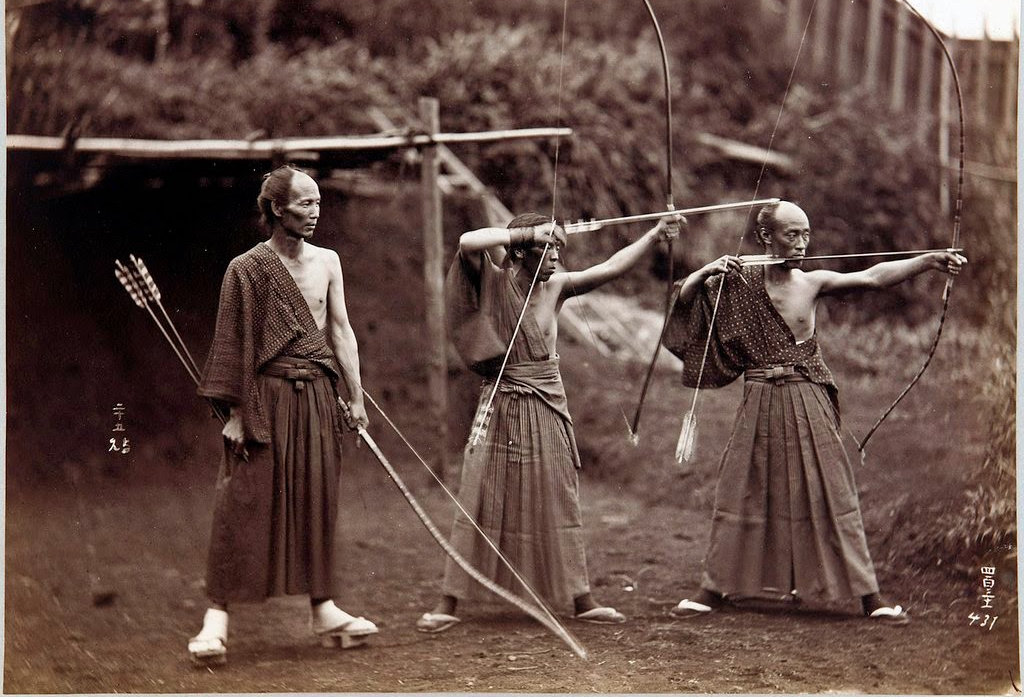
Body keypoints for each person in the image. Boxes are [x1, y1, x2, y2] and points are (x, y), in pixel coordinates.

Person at [663, 199, 966, 625]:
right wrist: (704, 272)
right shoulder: (736, 280)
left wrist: (929, 260)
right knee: (741, 486)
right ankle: (712, 587)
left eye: (806, 234)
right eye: (792, 234)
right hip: (759, 396)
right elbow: (684, 303)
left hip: (807, 395)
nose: (802, 244)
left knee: (831, 489)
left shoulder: (812, 282)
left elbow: (874, 278)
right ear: (767, 237)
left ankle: (869, 596)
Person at [416, 211, 683, 633]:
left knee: (559, 492)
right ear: (521, 249)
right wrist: (523, 231)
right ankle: (449, 601)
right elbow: (468, 240)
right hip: (502, 399)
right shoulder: (493, 282)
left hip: (547, 401)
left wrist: (653, 235)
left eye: (559, 245)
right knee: (480, 491)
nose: (557, 254)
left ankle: (582, 599)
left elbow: (609, 268)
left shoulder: (555, 287)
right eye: (548, 245)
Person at [187, 166, 377, 666]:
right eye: (304, 204)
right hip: (262, 397)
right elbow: (230, 344)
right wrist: (233, 412)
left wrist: (355, 398)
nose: (316, 213)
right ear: (276, 208)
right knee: (243, 500)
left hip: (316, 394)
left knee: (316, 495)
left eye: (318, 203)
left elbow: (340, 331)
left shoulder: (329, 262)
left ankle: (323, 608)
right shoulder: (246, 268)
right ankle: (216, 619)